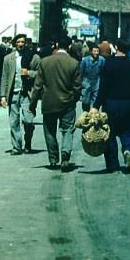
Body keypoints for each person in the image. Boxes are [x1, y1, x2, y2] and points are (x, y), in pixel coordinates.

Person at [91, 38, 130, 173]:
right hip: (127, 104)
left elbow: (102, 88)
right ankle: (127, 150)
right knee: (127, 132)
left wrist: (96, 106)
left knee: (110, 134)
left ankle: (112, 164)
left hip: (110, 104)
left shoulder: (108, 65)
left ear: (116, 47)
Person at [29, 36, 82, 171]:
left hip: (49, 102)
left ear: (57, 45)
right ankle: (65, 152)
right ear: (69, 47)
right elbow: (77, 87)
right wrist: (73, 100)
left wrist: (32, 104)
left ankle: (53, 159)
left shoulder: (45, 62)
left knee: (50, 131)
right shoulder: (74, 63)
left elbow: (37, 86)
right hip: (67, 103)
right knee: (68, 130)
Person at [0, 33, 41, 154]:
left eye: (23, 42)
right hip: (13, 93)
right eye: (18, 42)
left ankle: (28, 142)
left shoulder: (34, 57)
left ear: (26, 43)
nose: (20, 44)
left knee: (28, 121)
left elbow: (40, 74)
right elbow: (4, 77)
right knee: (14, 122)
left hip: (27, 94)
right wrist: (3, 96)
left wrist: (29, 73)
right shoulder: (8, 58)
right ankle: (16, 146)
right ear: (15, 43)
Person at [79, 44, 105, 112]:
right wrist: (80, 83)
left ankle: (93, 115)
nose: (96, 53)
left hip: (97, 81)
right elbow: (81, 72)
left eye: (97, 51)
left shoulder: (102, 60)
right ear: (91, 52)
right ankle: (85, 113)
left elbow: (103, 71)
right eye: (94, 51)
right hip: (86, 81)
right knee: (85, 101)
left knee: (95, 100)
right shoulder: (85, 60)